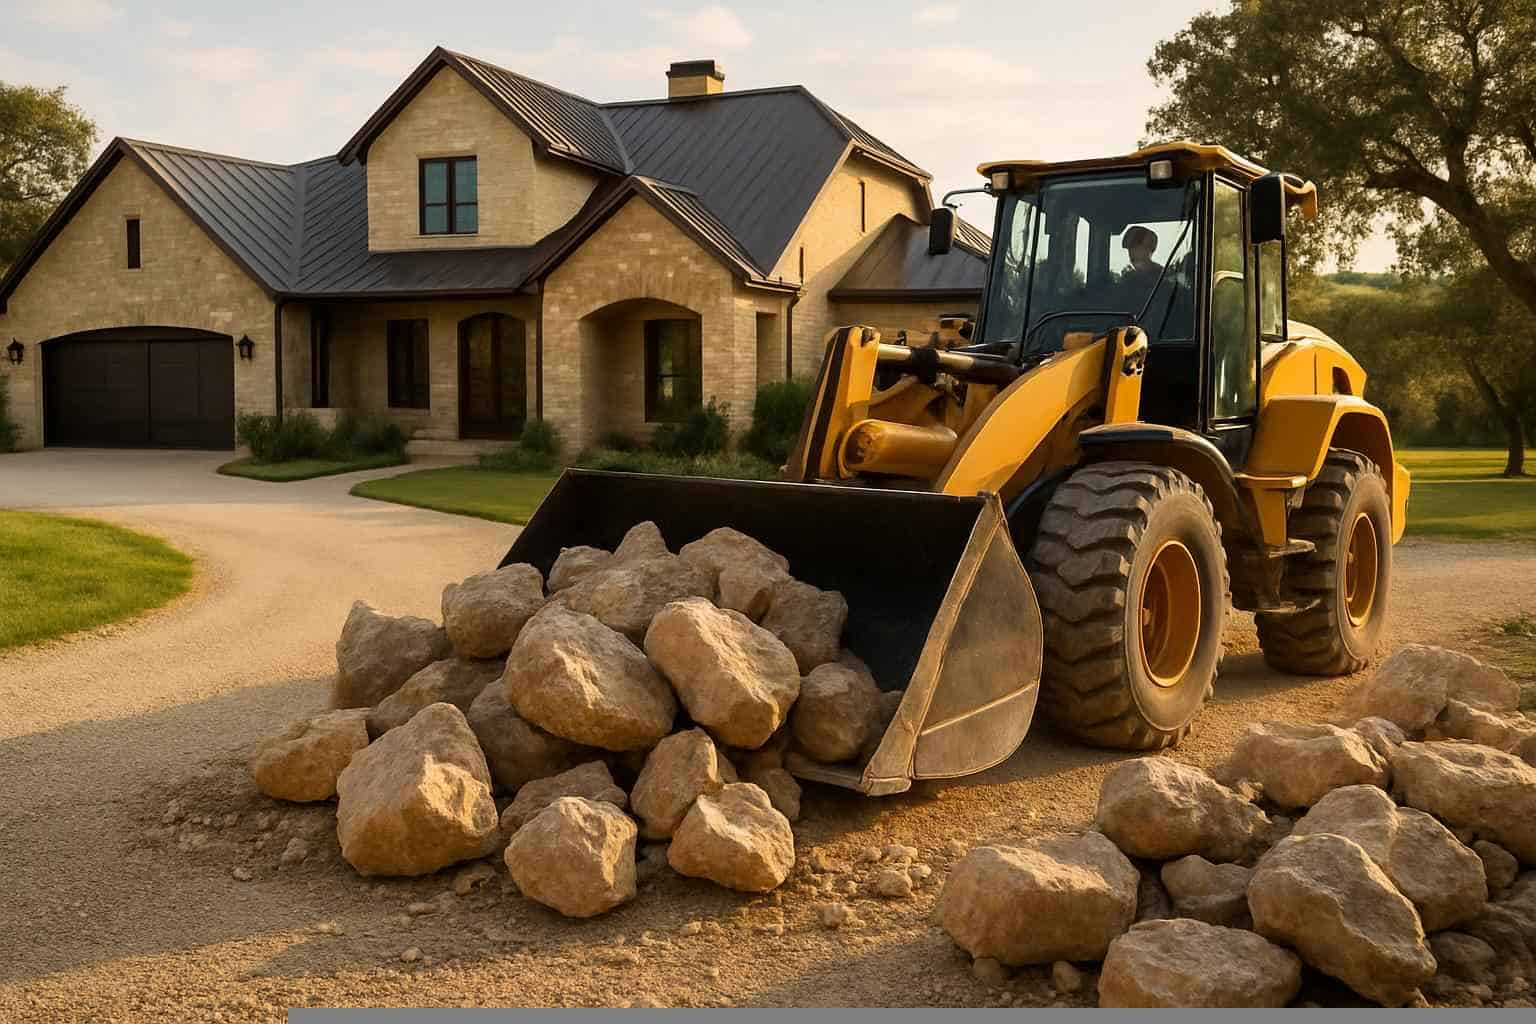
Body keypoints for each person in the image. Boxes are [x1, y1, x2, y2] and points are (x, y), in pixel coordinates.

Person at [1120, 225, 1164, 296]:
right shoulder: (1128, 279)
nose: (1131, 252)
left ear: (1149, 248)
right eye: (1130, 248)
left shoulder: (1163, 278)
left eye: (1136, 248)